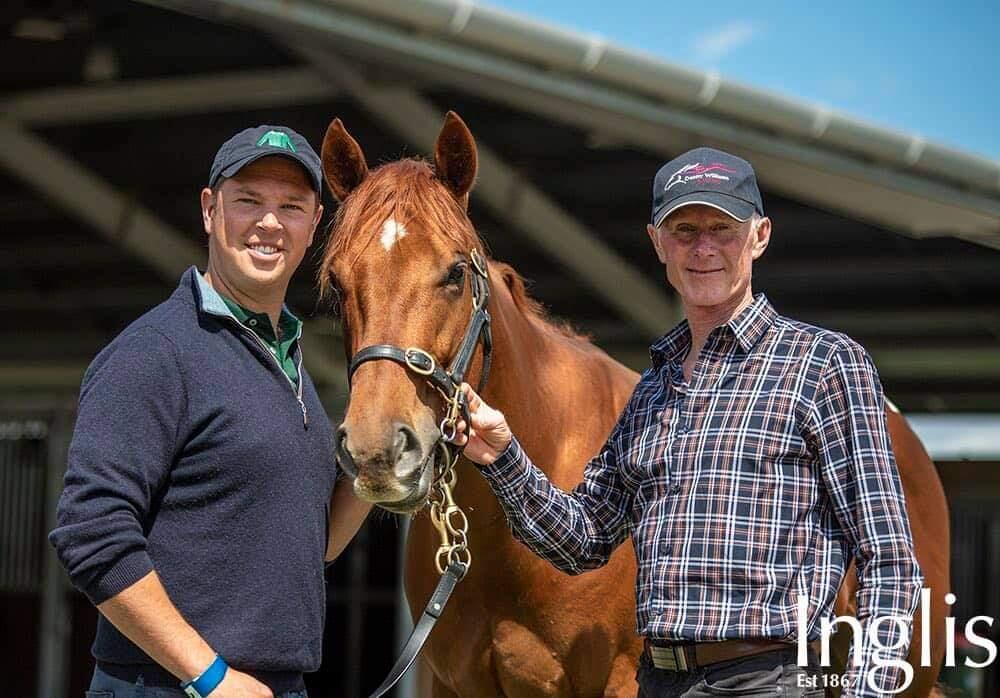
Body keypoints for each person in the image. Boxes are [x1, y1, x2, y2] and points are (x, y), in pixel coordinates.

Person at [455, 147, 923, 697]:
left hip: (771, 679)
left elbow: (888, 559)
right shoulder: (652, 392)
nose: (703, 247)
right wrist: (503, 456)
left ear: (760, 236)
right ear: (657, 243)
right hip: (659, 680)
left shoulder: (824, 365)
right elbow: (583, 540)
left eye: (722, 228)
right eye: (684, 230)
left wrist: (872, 691)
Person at [49, 125, 371, 698]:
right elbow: (91, 535)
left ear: (313, 225)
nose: (270, 223)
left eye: (290, 207)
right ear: (209, 209)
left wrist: (382, 466)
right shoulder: (156, 352)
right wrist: (209, 676)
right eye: (249, 201)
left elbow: (307, 543)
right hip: (170, 686)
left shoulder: (289, 361)